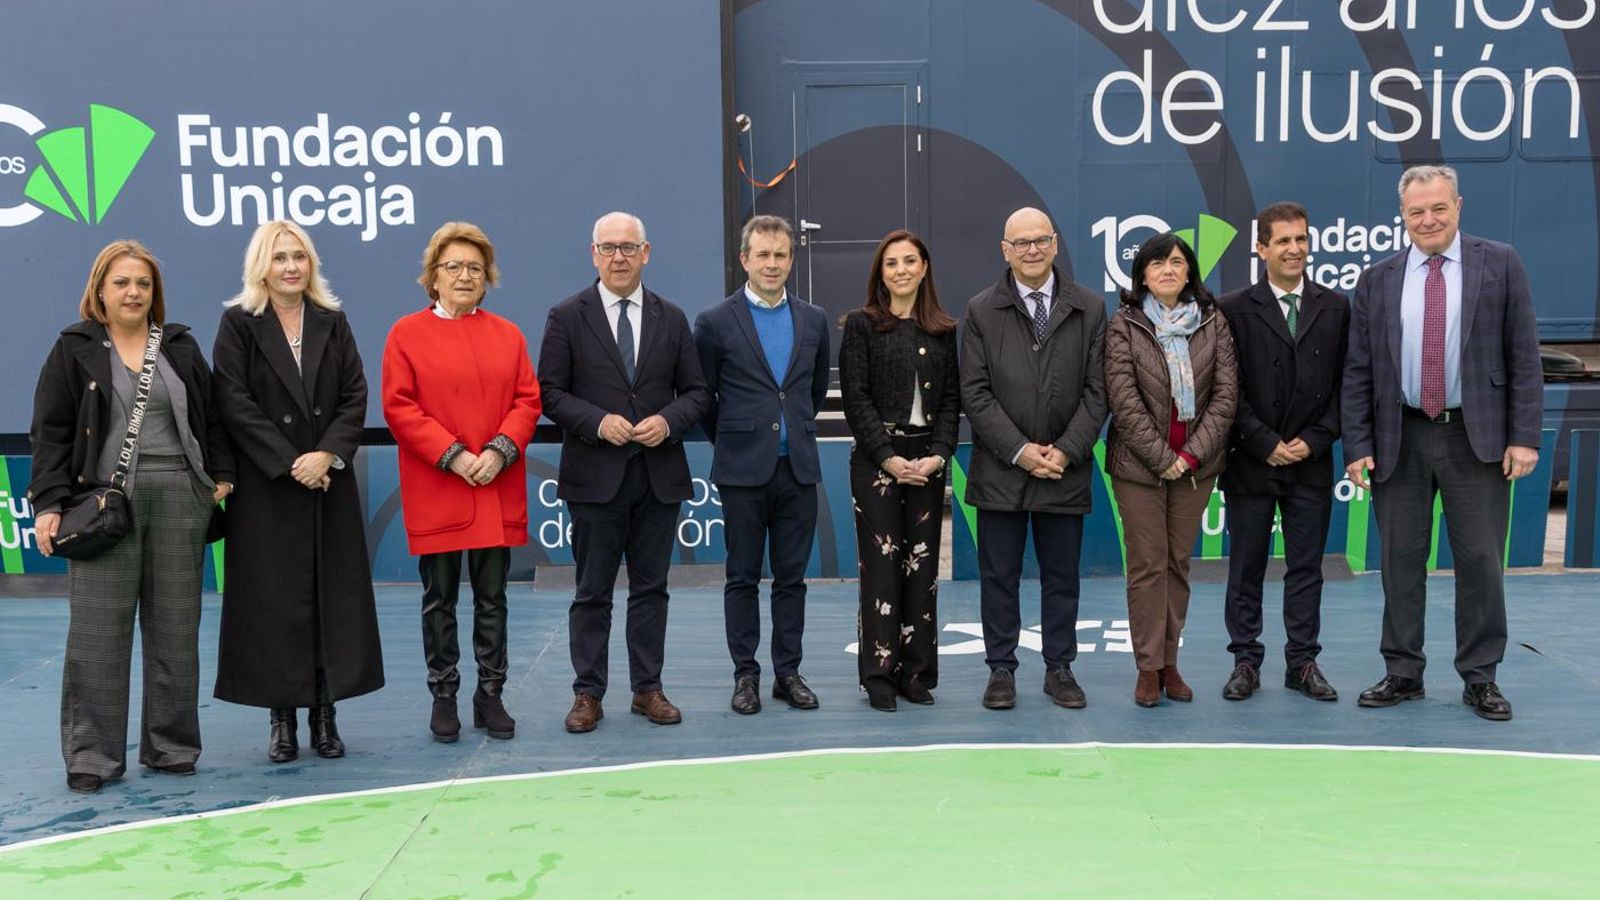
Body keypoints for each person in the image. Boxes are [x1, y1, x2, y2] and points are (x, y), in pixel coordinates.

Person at [28, 241, 234, 793]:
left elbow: (213, 419)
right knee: (97, 635)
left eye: (142, 283)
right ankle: (92, 757)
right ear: (100, 290)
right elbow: (50, 432)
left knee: (174, 631)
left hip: (181, 496)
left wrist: (220, 479)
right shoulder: (74, 348)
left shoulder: (181, 346)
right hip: (101, 503)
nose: (133, 292)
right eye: (121, 282)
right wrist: (49, 504)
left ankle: (171, 748)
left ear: (154, 293)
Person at [1342, 165, 1541, 721]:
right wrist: (1357, 443)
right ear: (1402, 216)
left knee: (1480, 561)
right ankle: (1402, 672)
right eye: (1415, 212)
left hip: (1475, 439)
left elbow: (1524, 355)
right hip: (1398, 437)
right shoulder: (1378, 279)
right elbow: (1358, 371)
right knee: (1399, 562)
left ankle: (1480, 678)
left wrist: (1524, 436)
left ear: (1458, 205)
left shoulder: (1500, 264)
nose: (1427, 220)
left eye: (1438, 208)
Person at [211, 220, 384, 763]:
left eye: (300, 257)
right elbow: (233, 403)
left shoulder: (333, 321)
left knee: (330, 602)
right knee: (275, 605)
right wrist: (289, 463)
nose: (291, 267)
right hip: (267, 490)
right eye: (280, 257)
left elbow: (355, 396)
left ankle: (325, 716)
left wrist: (325, 454)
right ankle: (282, 721)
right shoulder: (237, 324)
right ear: (261, 265)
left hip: (327, 485)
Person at [538, 211, 711, 733]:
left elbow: (699, 393)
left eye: (628, 248)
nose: (618, 257)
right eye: (608, 248)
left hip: (658, 476)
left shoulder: (672, 318)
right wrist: (597, 422)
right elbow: (549, 392)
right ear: (593, 254)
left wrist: (667, 421)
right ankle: (587, 693)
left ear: (646, 252)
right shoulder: (567, 316)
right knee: (591, 590)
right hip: (595, 477)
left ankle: (647, 689)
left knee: (651, 588)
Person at [381, 222, 542, 743]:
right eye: (453, 266)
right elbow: (399, 407)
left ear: (487, 276)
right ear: (433, 276)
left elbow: (527, 401)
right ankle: (444, 696)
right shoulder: (406, 333)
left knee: (494, 598)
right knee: (440, 599)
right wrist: (452, 455)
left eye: (475, 267)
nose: (465, 276)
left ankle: (490, 696)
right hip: (441, 486)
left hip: (495, 483)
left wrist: (498, 450)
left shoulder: (508, 334)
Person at [960, 207, 1107, 712]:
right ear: (1005, 250)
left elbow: (1098, 391)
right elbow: (974, 394)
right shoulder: (980, 311)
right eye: (1020, 243)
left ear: (1055, 244)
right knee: (998, 575)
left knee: (1061, 576)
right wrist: (1021, 452)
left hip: (1066, 468)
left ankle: (1059, 669)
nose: (1031, 250)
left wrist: (1065, 450)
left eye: (1040, 240)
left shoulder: (1090, 307)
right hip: (1001, 470)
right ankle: (1001, 668)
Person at [693, 215, 831, 715]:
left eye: (781, 255)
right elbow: (704, 397)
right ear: (744, 259)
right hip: (742, 472)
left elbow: (811, 392)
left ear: (791, 259)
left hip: (797, 469)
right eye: (763, 255)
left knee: (792, 579)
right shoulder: (714, 321)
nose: (772, 264)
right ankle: (745, 676)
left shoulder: (814, 319)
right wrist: (737, 440)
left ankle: (787, 673)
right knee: (742, 577)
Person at [1217, 203, 1349, 702]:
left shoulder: (1335, 306)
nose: (1294, 250)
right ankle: (1245, 661)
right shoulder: (1231, 308)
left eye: (1301, 240)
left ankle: (1303, 662)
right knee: (1246, 566)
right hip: (1252, 462)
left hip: (1311, 464)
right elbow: (1226, 389)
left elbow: (1345, 385)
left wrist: (1314, 440)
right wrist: (1263, 441)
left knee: (1306, 568)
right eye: (1283, 241)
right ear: (1261, 248)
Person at [1104, 232, 1238, 708]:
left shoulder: (1213, 323)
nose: (1167, 270)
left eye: (1177, 262)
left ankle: (1170, 664)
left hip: (1197, 469)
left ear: (1189, 272)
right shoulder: (1124, 325)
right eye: (1157, 263)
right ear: (1142, 273)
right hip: (1139, 468)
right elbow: (1123, 401)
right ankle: (1146, 668)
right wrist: (1165, 459)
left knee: (1178, 565)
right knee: (1147, 566)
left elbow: (1225, 397)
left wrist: (1191, 456)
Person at [838, 230, 960, 711]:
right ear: (880, 272)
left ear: (925, 267)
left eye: (910, 261)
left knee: (922, 571)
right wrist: (887, 457)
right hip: (876, 463)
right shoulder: (861, 326)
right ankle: (879, 677)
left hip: (928, 461)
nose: (901, 270)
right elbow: (856, 399)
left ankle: (917, 674)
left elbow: (952, 402)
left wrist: (939, 455)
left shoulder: (945, 329)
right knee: (881, 572)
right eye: (891, 263)